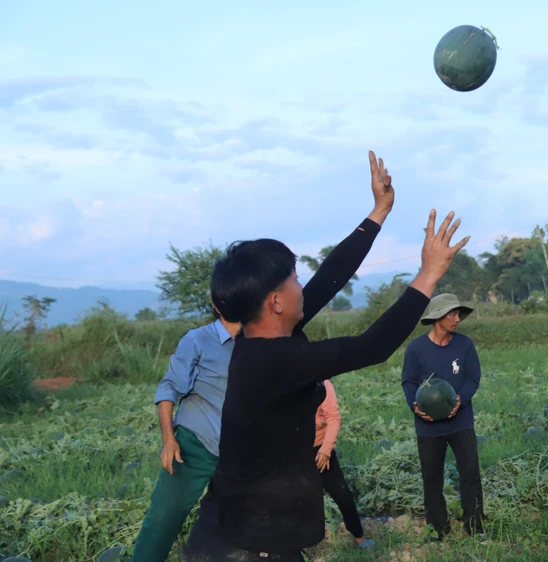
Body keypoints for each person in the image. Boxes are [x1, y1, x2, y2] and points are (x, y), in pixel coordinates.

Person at [179, 150, 470, 562]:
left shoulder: (267, 332)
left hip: (243, 536)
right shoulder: (272, 361)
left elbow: (330, 277)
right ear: (276, 301)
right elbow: (373, 346)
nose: (303, 287)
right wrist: (428, 274)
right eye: (295, 280)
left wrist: (379, 212)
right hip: (242, 550)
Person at [127, 303, 241, 562]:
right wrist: (169, 440)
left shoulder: (257, 342)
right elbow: (169, 388)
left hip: (237, 451)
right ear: (217, 304)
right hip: (193, 444)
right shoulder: (197, 340)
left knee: (245, 523)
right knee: (162, 520)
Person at [401, 293, 485, 542]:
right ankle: (438, 529)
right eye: (453, 314)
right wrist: (414, 406)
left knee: (470, 473)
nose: (457, 319)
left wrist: (461, 400)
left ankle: (476, 526)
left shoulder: (465, 345)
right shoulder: (416, 349)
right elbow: (408, 382)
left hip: (461, 422)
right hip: (428, 427)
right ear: (438, 317)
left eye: (458, 314)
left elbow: (473, 378)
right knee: (432, 477)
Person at [313, 379, 374, 549]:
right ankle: (296, 544)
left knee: (342, 494)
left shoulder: (323, 384)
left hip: (321, 448)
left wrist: (326, 449)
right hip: (296, 450)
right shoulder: (288, 383)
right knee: (298, 497)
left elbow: (333, 417)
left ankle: (358, 537)